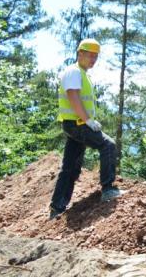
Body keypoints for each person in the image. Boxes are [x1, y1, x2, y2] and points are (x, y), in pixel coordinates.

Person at [49, 39, 123, 220]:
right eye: (90, 55)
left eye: (96, 56)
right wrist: (88, 120)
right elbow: (73, 96)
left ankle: (57, 208)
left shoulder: (80, 73)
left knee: (70, 168)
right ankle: (108, 189)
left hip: (74, 124)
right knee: (108, 145)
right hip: (78, 124)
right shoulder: (74, 72)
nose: (93, 59)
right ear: (80, 53)